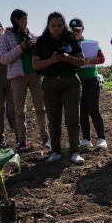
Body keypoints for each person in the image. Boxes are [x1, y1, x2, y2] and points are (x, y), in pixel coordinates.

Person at [32, 12, 85, 164]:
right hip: (50, 84)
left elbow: (81, 61)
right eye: (53, 26)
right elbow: (35, 64)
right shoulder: (42, 41)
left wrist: (68, 58)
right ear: (48, 26)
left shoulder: (70, 39)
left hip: (70, 83)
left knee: (72, 118)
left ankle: (75, 152)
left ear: (64, 26)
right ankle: (55, 151)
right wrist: (51, 60)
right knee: (53, 119)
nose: (56, 29)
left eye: (59, 26)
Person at [0, 9, 51, 152]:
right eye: (24, 19)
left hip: (34, 74)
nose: (27, 21)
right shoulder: (5, 37)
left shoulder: (31, 35)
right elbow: (3, 58)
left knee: (41, 107)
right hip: (17, 77)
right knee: (19, 111)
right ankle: (22, 141)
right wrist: (20, 47)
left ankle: (45, 138)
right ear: (16, 19)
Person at [70, 17, 107, 150]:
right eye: (73, 30)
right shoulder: (69, 45)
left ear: (82, 30)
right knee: (82, 111)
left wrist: (89, 59)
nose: (75, 32)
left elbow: (102, 58)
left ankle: (101, 138)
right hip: (77, 82)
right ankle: (86, 138)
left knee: (94, 109)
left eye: (77, 30)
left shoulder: (91, 43)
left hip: (91, 80)